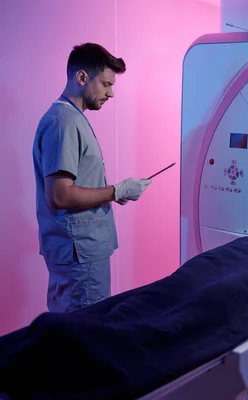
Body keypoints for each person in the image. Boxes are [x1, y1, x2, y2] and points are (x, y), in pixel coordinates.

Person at [0, 207, 248, 400]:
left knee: (211, 303)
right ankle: (76, 332)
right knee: (166, 291)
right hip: (245, 250)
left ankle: (88, 346)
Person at [32, 43, 152, 314]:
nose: (111, 93)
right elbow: (59, 195)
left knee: (69, 331)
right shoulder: (64, 121)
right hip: (80, 255)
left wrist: (113, 192)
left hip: (79, 252)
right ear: (82, 77)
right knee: (85, 334)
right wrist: (116, 191)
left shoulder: (70, 118)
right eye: (106, 84)